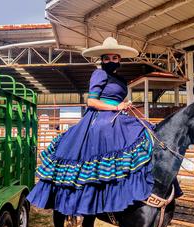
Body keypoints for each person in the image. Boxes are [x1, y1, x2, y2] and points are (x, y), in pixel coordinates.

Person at [26, 37, 155, 215]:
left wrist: (124, 105)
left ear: (119, 59)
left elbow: (116, 99)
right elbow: (92, 101)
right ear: (102, 60)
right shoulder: (99, 74)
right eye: (107, 58)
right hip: (99, 117)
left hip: (116, 114)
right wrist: (116, 106)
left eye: (114, 58)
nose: (111, 61)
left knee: (144, 128)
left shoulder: (121, 79)